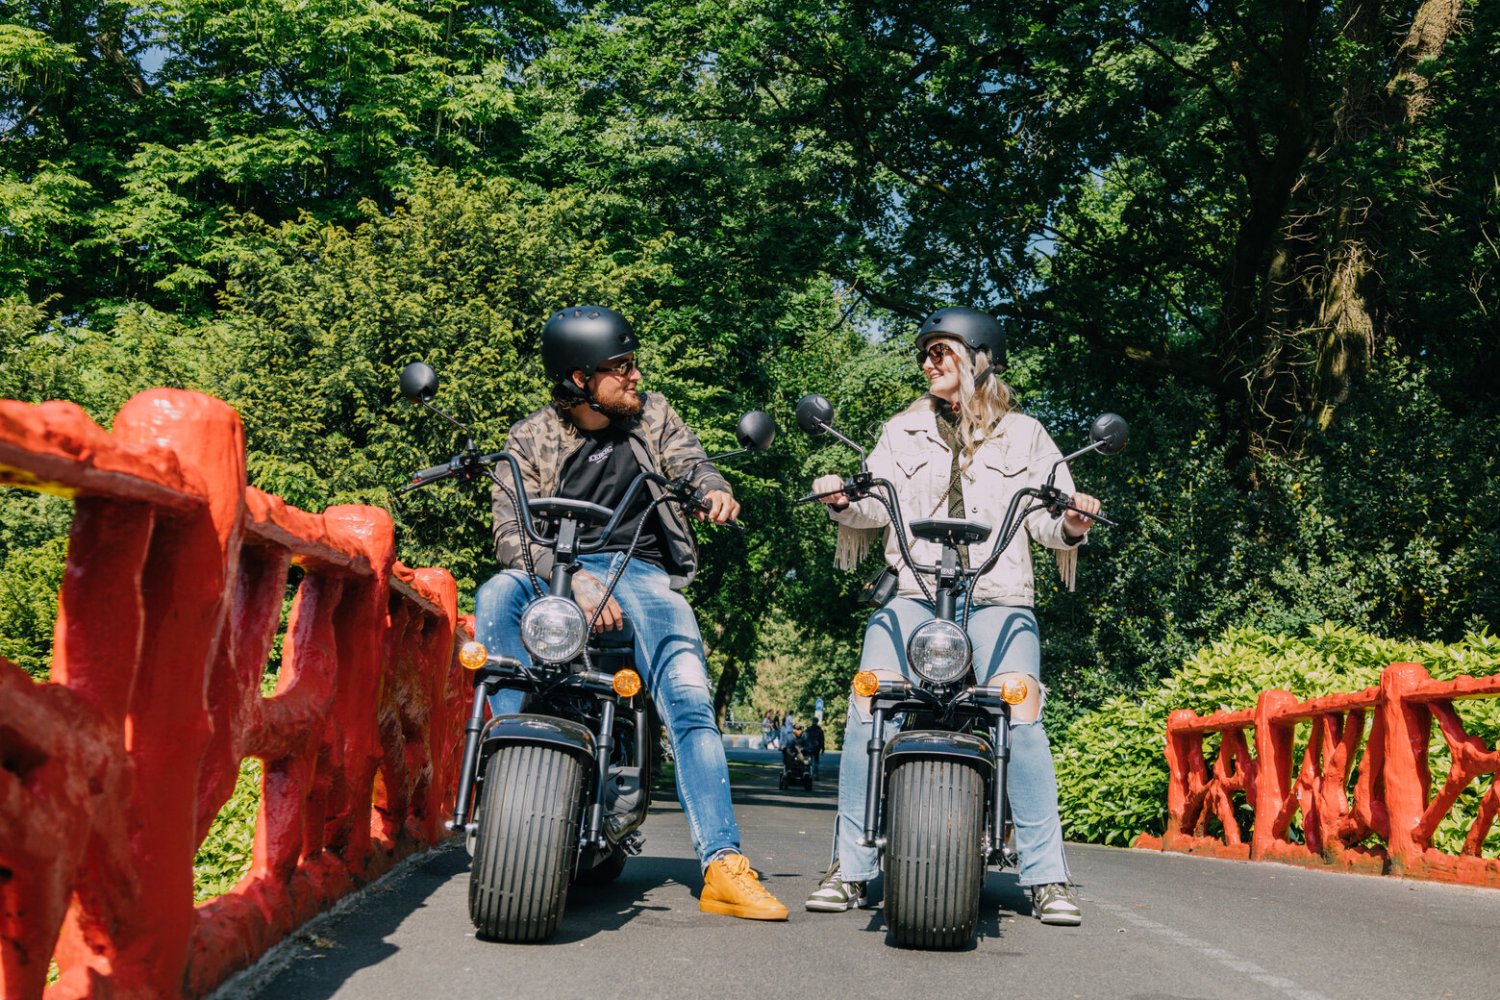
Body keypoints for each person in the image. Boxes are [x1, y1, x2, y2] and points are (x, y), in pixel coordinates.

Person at [473, 305, 788, 922]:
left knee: (689, 698)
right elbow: (511, 534)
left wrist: (714, 490)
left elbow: (692, 463)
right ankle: (514, 787)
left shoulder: (653, 415)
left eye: (633, 364)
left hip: (639, 569)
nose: (635, 376)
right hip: (553, 568)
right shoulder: (529, 437)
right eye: (621, 367)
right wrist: (576, 581)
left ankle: (722, 862)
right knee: (494, 596)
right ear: (579, 378)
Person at [802, 307, 1100, 927]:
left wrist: (1074, 521)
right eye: (925, 353)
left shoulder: (1027, 435)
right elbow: (871, 508)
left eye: (942, 351)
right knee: (868, 700)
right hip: (914, 591)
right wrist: (839, 499)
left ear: (980, 358)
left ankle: (1046, 875)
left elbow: (1050, 522)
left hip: (997, 597)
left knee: (1021, 710)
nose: (928, 362)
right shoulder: (900, 431)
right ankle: (850, 868)